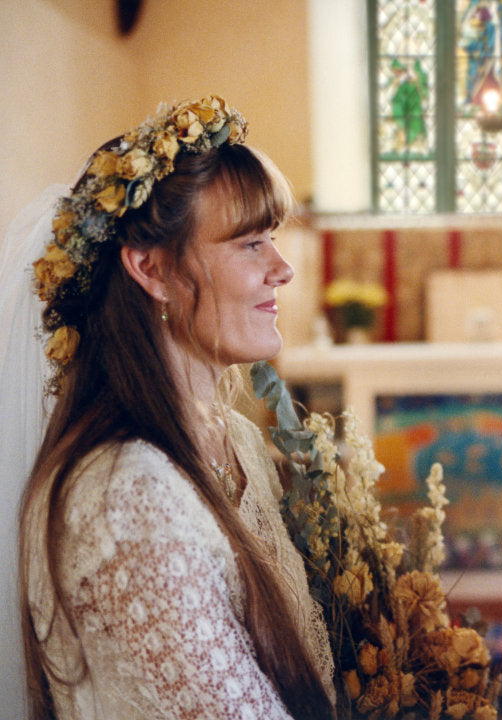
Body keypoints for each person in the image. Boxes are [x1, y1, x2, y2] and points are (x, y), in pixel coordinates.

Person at [9, 96, 336, 719]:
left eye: (273, 239)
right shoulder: (126, 496)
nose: (283, 268)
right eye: (250, 244)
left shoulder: (237, 439)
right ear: (151, 269)